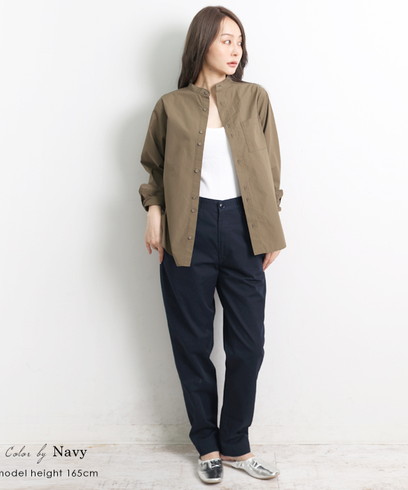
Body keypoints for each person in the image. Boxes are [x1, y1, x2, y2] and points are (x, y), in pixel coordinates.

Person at [139, 5, 286, 484]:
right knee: (192, 344)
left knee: (249, 346)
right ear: (202, 42)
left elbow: (271, 167)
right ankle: (207, 444)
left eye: (239, 41)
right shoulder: (170, 106)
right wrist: (155, 213)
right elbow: (155, 168)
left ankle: (237, 445)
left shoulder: (255, 98)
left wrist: (269, 226)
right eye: (226, 39)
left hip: (245, 229)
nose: (235, 49)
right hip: (189, 230)